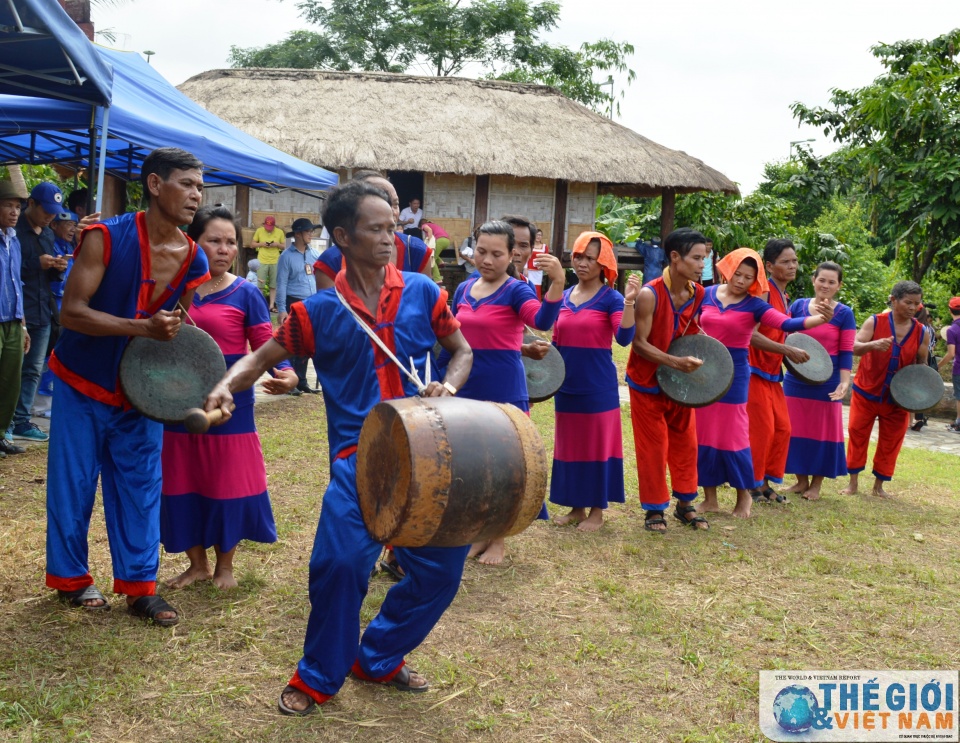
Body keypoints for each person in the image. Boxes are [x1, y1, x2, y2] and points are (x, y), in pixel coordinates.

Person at [201, 180, 473, 715]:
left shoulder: (424, 291)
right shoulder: (315, 312)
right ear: (343, 237)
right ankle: (317, 676)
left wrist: (452, 384)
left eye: (392, 227)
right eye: (376, 229)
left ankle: (378, 655)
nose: (389, 237)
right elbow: (257, 360)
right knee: (340, 566)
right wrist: (221, 386)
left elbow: (460, 350)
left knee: (443, 570)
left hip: (430, 455)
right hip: (359, 461)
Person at [45, 147, 210, 623]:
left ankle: (140, 587)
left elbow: (179, 323)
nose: (196, 195)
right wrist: (141, 328)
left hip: (142, 392)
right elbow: (71, 312)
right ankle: (72, 580)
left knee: (141, 486)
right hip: (82, 381)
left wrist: (181, 380)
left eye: (200, 186)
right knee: (73, 484)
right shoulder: (104, 237)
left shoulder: (192, 258)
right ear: (156, 185)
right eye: (187, 184)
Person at [161, 206, 297, 590]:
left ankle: (225, 566)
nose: (223, 249)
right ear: (193, 242)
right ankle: (197, 565)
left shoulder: (247, 293)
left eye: (230, 242)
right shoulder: (174, 290)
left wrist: (283, 374)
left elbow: (263, 348)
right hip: (178, 403)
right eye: (213, 241)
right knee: (180, 481)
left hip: (230, 407)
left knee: (228, 484)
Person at [442, 220, 564, 563]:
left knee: (506, 463)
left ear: (511, 255)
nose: (487, 260)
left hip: (504, 387)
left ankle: (497, 538)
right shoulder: (465, 288)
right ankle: (475, 532)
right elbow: (453, 337)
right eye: (481, 251)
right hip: (467, 384)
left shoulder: (516, 290)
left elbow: (541, 321)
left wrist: (557, 282)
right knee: (471, 462)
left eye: (497, 254)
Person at [697, 248, 831, 520]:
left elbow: (786, 323)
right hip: (706, 371)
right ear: (728, 270)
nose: (741, 281)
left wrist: (819, 318)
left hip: (736, 374)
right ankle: (709, 499)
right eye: (738, 274)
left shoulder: (755, 304)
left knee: (734, 438)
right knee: (704, 435)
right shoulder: (706, 294)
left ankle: (744, 496)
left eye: (749, 277)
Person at [549, 232, 638, 532]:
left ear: (603, 264)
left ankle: (597, 512)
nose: (583, 263)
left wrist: (628, 303)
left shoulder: (611, 298)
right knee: (571, 447)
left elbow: (624, 338)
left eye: (591, 258)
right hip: (566, 386)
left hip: (598, 387)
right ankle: (576, 508)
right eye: (579, 256)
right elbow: (556, 342)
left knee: (598, 447)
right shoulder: (563, 296)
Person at [626, 228, 708, 532]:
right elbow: (639, 343)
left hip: (681, 383)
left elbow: (690, 331)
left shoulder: (697, 293)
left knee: (686, 443)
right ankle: (654, 509)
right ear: (675, 257)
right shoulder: (650, 294)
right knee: (653, 446)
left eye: (705, 258)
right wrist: (675, 361)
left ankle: (686, 503)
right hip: (647, 381)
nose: (703, 265)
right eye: (697, 258)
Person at [841, 281, 929, 498]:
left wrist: (919, 394)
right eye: (908, 302)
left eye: (916, 304)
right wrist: (872, 345)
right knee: (857, 434)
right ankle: (853, 484)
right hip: (867, 391)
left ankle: (879, 487)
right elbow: (852, 347)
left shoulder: (922, 332)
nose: (912, 307)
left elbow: (922, 365)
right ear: (893, 300)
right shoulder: (875, 321)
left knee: (891, 442)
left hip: (899, 399)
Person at [781, 262, 856, 501]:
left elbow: (846, 350)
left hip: (827, 381)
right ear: (814, 280)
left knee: (823, 432)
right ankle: (801, 481)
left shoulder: (844, 313)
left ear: (839, 286)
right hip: (795, 379)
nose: (825, 285)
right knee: (794, 429)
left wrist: (844, 382)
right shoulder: (798, 306)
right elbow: (784, 337)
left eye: (831, 282)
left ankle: (816, 484)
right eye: (822, 279)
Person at [745, 239, 810, 503]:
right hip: (753, 370)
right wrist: (787, 351)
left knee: (782, 430)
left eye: (794, 260)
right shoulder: (763, 292)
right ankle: (754, 485)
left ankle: (765, 481)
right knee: (762, 431)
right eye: (785, 261)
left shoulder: (784, 297)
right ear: (769, 266)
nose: (792, 266)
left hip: (772, 374)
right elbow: (750, 335)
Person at [7, 182, 68, 444]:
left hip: (43, 311)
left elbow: (49, 279)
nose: (50, 217)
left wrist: (58, 268)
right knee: (11, 370)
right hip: (17, 311)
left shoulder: (47, 235)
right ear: (30, 204)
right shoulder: (12, 232)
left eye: (54, 213)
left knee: (33, 369)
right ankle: (6, 422)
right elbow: (8, 273)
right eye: (46, 211)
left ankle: (21, 420)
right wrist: (36, 264)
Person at [314, 172, 434, 288]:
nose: (389, 210)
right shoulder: (330, 262)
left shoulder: (416, 252)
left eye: (395, 204)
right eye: (378, 202)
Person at [33, 210, 80, 417]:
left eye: (74, 225)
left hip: (66, 309)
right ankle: (40, 405)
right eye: (68, 224)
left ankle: (51, 402)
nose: (72, 229)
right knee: (44, 357)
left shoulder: (70, 248)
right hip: (49, 308)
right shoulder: (49, 245)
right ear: (54, 226)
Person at [276, 217, 322, 395]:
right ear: (297, 234)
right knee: (293, 342)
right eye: (308, 231)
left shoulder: (314, 254)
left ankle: (302, 381)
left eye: (311, 231)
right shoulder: (286, 257)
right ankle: (291, 381)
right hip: (293, 301)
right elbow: (281, 284)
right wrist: (281, 309)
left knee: (307, 342)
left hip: (311, 302)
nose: (311, 234)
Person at [0, 180, 28, 458]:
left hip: (13, 321)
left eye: (18, 207)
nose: (14, 212)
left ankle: (1, 435)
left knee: (11, 381)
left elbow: (17, 283)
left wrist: (23, 324)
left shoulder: (14, 241)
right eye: (8, 205)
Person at [910, 305, 938, 431]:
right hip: (929, 361)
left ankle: (909, 421)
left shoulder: (916, 327)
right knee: (921, 392)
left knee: (910, 391)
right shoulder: (930, 328)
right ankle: (920, 419)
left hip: (916, 361)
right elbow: (932, 347)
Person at [251, 215, 285, 312]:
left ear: (274, 225)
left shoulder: (280, 232)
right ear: (264, 224)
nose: (268, 229)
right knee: (260, 284)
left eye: (270, 228)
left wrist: (277, 244)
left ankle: (271, 305)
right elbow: (252, 244)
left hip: (275, 261)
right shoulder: (259, 231)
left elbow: (285, 246)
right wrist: (261, 244)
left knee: (273, 285)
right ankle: (260, 305)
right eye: (267, 227)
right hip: (262, 260)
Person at [939, 297, 960, 431]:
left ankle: (958, 423)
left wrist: (938, 366)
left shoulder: (952, 330)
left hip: (959, 368)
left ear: (949, 310)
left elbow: (951, 353)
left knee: (959, 397)